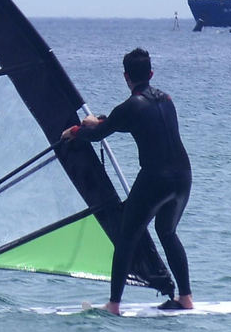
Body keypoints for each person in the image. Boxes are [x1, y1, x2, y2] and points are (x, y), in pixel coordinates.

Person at [60, 47, 193, 314]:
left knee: (126, 237)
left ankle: (114, 305)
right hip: (183, 177)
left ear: (125, 77)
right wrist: (99, 121)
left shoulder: (130, 106)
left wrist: (75, 130)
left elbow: (100, 134)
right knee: (167, 232)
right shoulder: (167, 100)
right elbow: (132, 122)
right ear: (151, 73)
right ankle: (186, 298)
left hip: (156, 179)